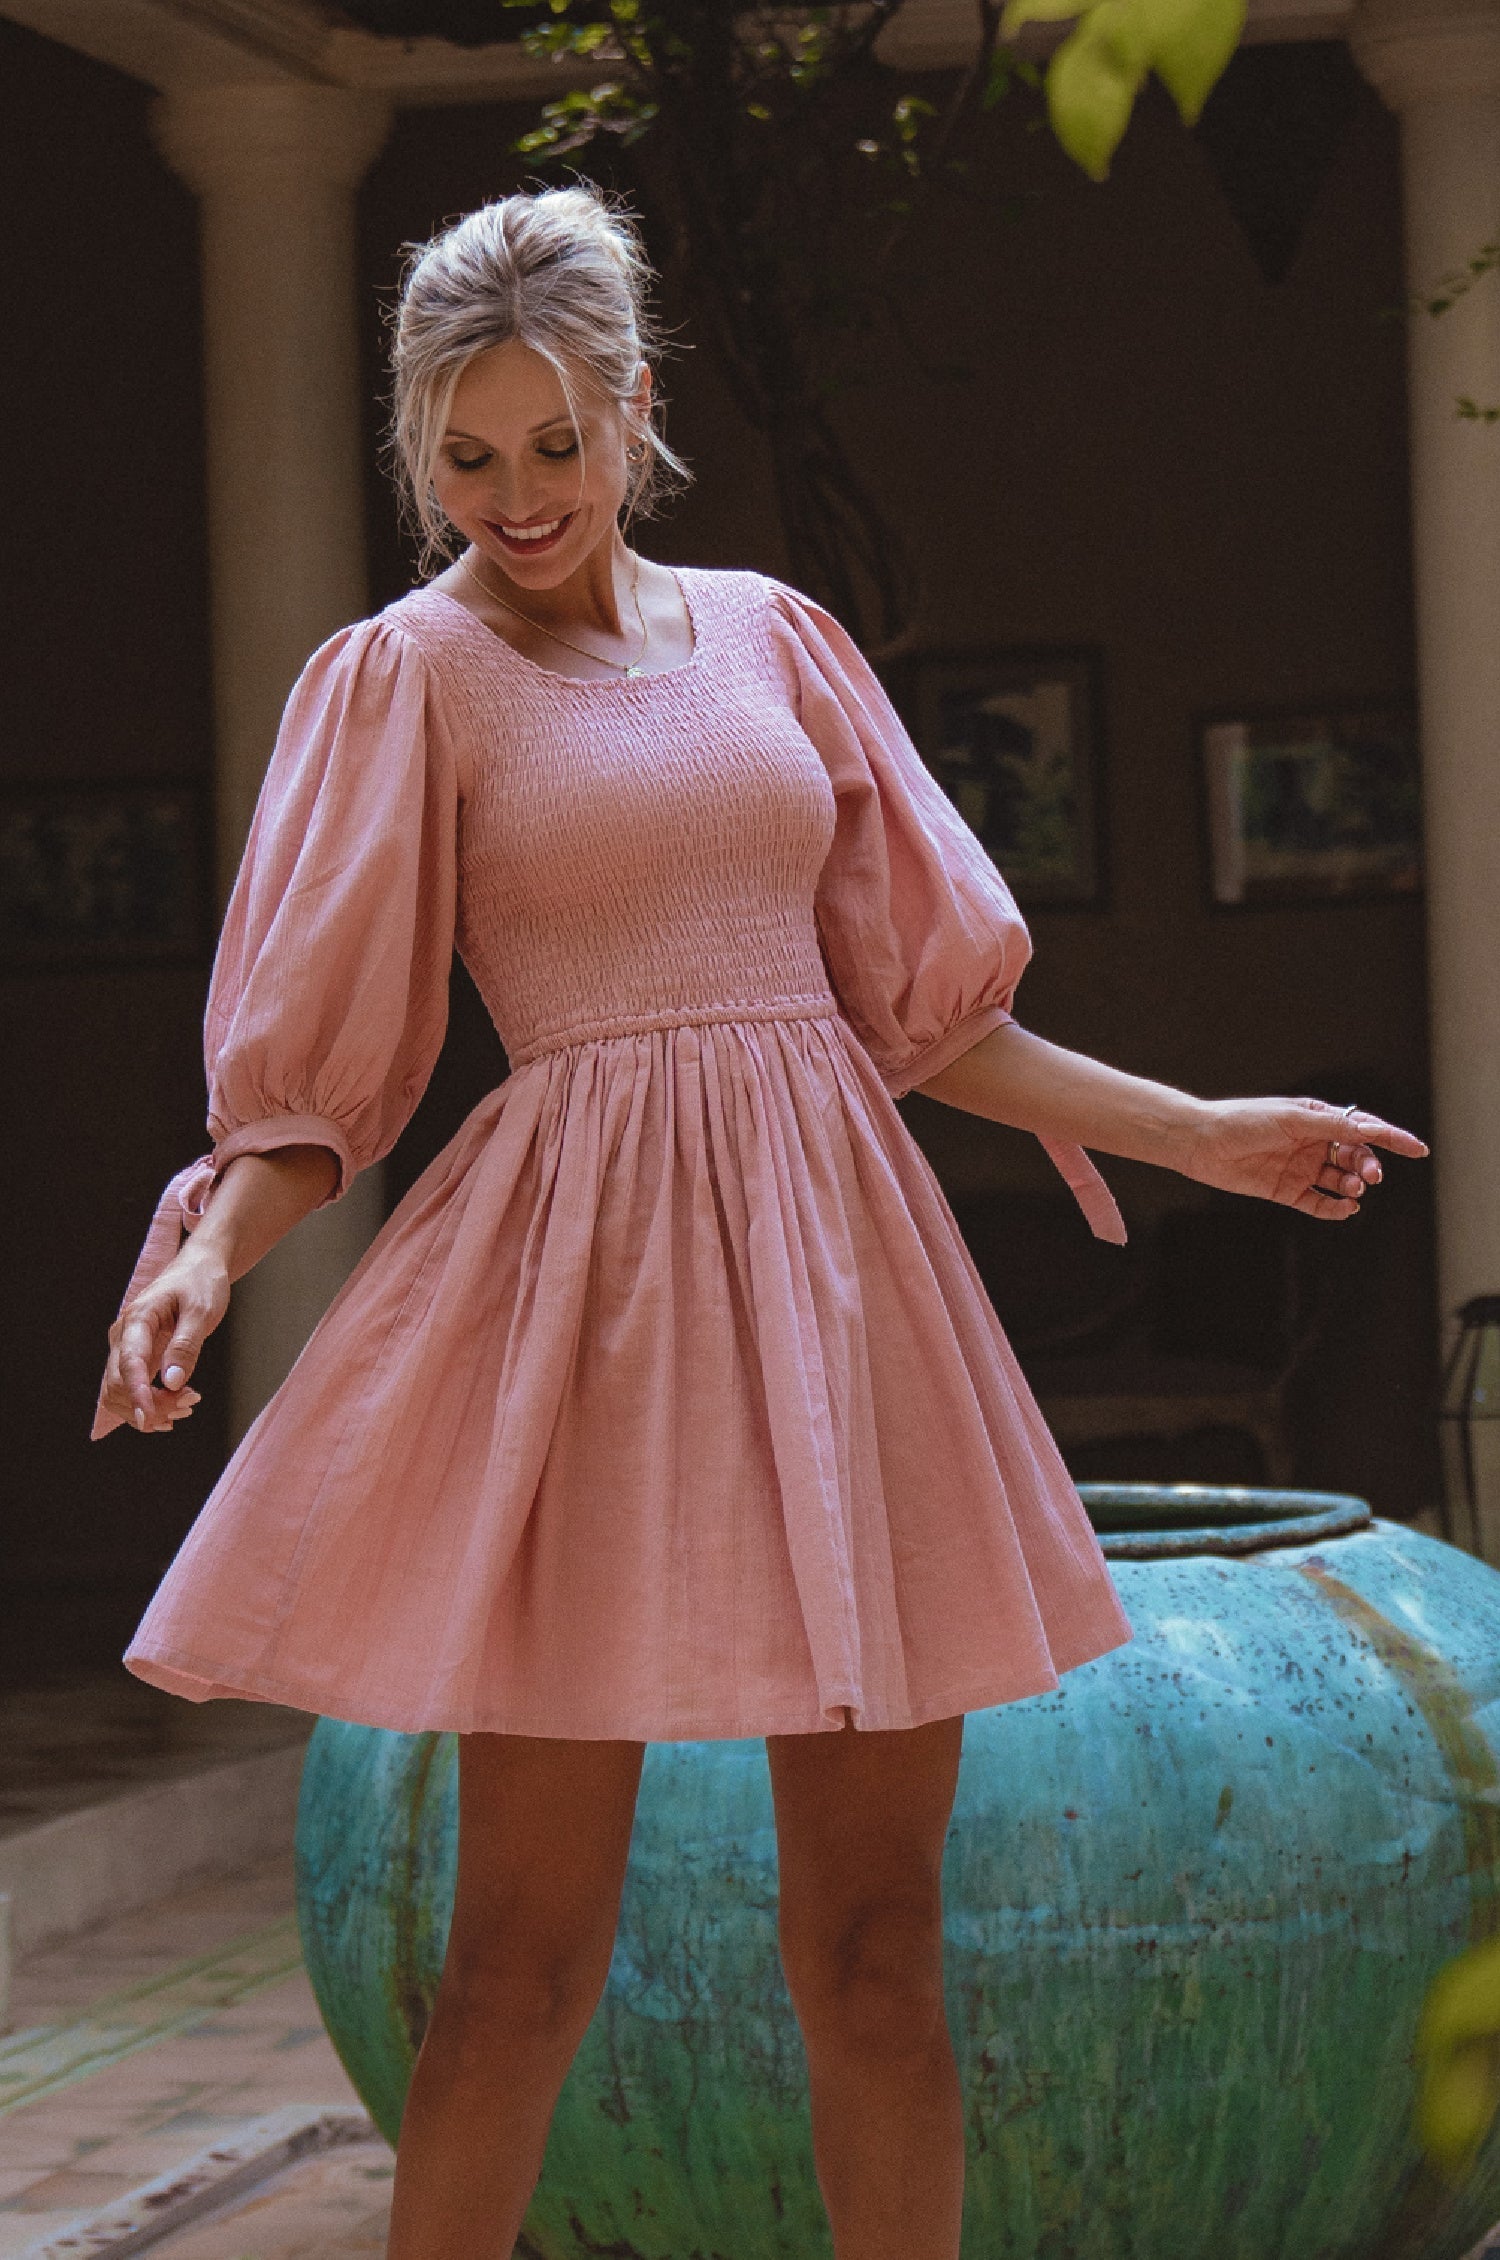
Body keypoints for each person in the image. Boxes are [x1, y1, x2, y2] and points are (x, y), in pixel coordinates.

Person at [92, 185, 1427, 2260]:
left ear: (637, 406)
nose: (517, 498)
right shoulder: (405, 679)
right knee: (518, 1962)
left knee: (880, 1952)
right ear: (416, 451)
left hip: (840, 1292)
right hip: (582, 1318)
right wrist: (205, 1248)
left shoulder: (778, 639)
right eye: (467, 457)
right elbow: (325, 1073)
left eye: (557, 442)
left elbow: (921, 1019)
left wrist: (1201, 1135)